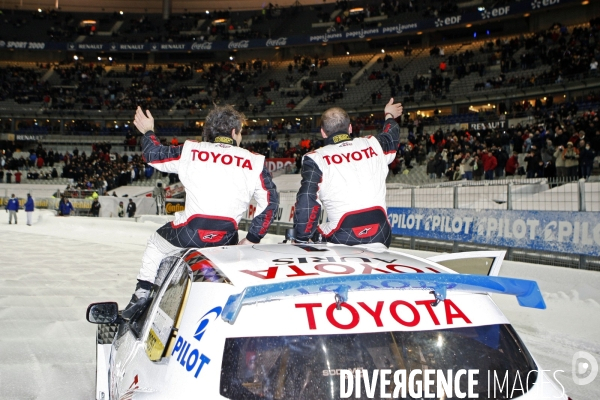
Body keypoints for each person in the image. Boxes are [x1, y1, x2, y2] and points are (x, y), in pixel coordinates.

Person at [123, 105, 279, 319]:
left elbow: (152, 155)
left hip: (188, 232)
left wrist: (149, 132)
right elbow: (270, 202)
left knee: (155, 244)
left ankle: (142, 295)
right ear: (234, 132)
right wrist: (252, 238)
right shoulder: (254, 160)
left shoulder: (191, 150)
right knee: (224, 271)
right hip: (226, 238)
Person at [293, 99, 403, 248]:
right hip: (381, 233)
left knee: (309, 234)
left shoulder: (315, 158)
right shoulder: (374, 143)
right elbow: (392, 134)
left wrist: (300, 238)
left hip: (342, 237)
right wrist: (389, 114)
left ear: (323, 133)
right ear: (350, 128)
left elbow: (306, 200)